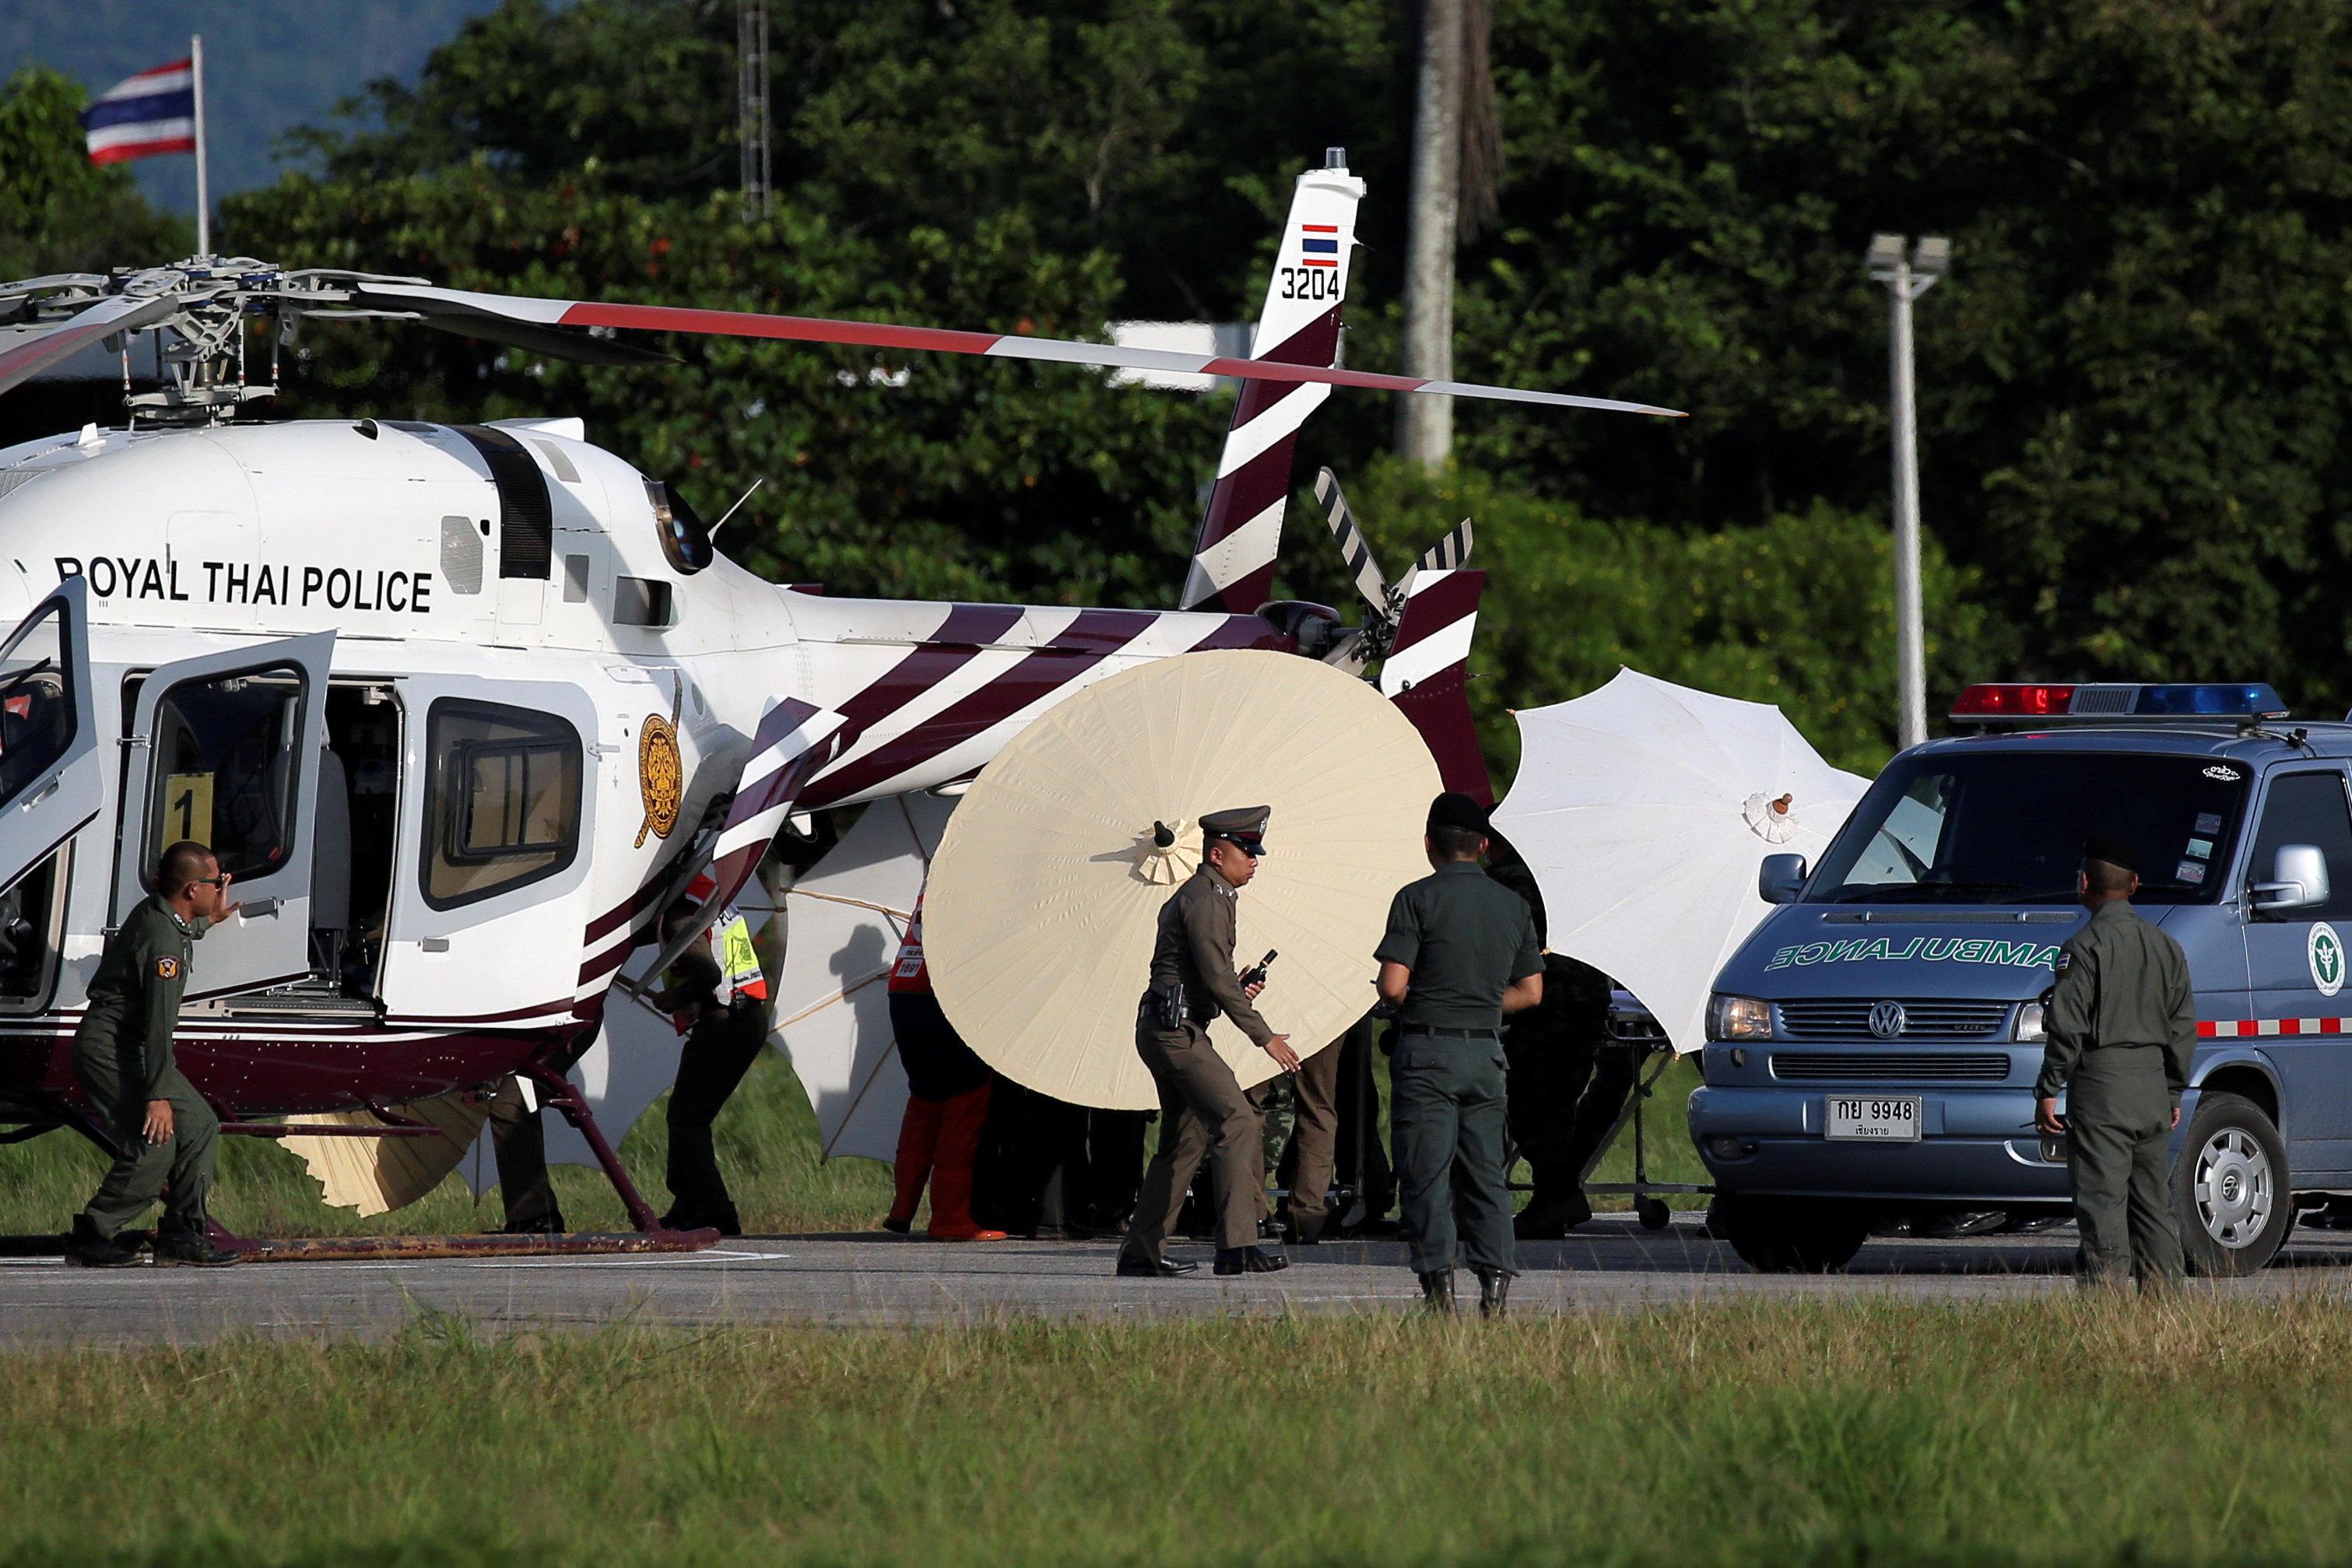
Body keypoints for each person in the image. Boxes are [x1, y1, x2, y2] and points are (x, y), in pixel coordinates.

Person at [1375, 793, 1544, 1317]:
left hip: (1428, 1051)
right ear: (1484, 845)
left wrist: (1417, 1001)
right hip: (1486, 1056)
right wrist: (1478, 1004)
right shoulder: (1512, 904)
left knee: (1426, 1173)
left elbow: (1392, 983)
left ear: (1430, 845)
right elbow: (1532, 991)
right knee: (1485, 1175)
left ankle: (1440, 1292)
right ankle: (1495, 1289)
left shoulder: (1416, 898)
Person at [1117, 805, 1301, 1279]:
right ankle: (1237, 1246)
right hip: (1178, 1034)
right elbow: (1216, 977)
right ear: (1218, 855)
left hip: (1170, 1026)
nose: (1254, 859)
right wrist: (1265, 1037)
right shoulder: (1207, 898)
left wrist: (1234, 989)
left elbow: (1208, 978)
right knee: (1238, 1120)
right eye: (1247, 851)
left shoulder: (1207, 895)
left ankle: (1142, 1251)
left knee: (1184, 1139)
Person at [65, 840, 241, 1268]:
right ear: (192, 889)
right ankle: (92, 1234)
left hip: (131, 1046)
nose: (221, 889)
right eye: (215, 883)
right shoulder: (164, 944)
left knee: (199, 1124)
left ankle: (183, 1232)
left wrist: (207, 923)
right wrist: (157, 1095)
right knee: (156, 1145)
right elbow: (159, 1027)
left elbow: (181, 928)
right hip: (111, 1048)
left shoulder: (161, 915)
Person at [2034, 833, 2196, 1290]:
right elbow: (2183, 1026)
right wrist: (2171, 1091)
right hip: (2151, 1092)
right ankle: (2166, 1309)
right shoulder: (2167, 947)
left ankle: (2105, 1311)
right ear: (2135, 884)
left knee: (2102, 1205)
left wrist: (2048, 1089)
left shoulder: (2083, 948)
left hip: (2103, 1092)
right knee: (2153, 1207)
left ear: (2084, 882)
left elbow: (2068, 1026)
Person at [1485, 839, 1618, 1237]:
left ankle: (1558, 1195)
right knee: (1558, 1101)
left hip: (1543, 1004)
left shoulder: (1503, 883)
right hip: (1587, 998)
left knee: (1530, 1102)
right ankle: (1557, 1197)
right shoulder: (1566, 878)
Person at [882, 886, 1006, 1241]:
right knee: (965, 1104)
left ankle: (903, 1206)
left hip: (904, 988)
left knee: (925, 1100)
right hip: (946, 994)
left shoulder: (939, 867)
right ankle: (950, 1218)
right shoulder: (979, 868)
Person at [649, 898, 773, 1235]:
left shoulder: (677, 916)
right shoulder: (710, 901)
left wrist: (675, 998)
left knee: (687, 1118)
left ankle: (715, 1213)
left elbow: (709, 973)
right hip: (743, 1014)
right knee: (684, 1114)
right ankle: (687, 1205)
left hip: (727, 1021)